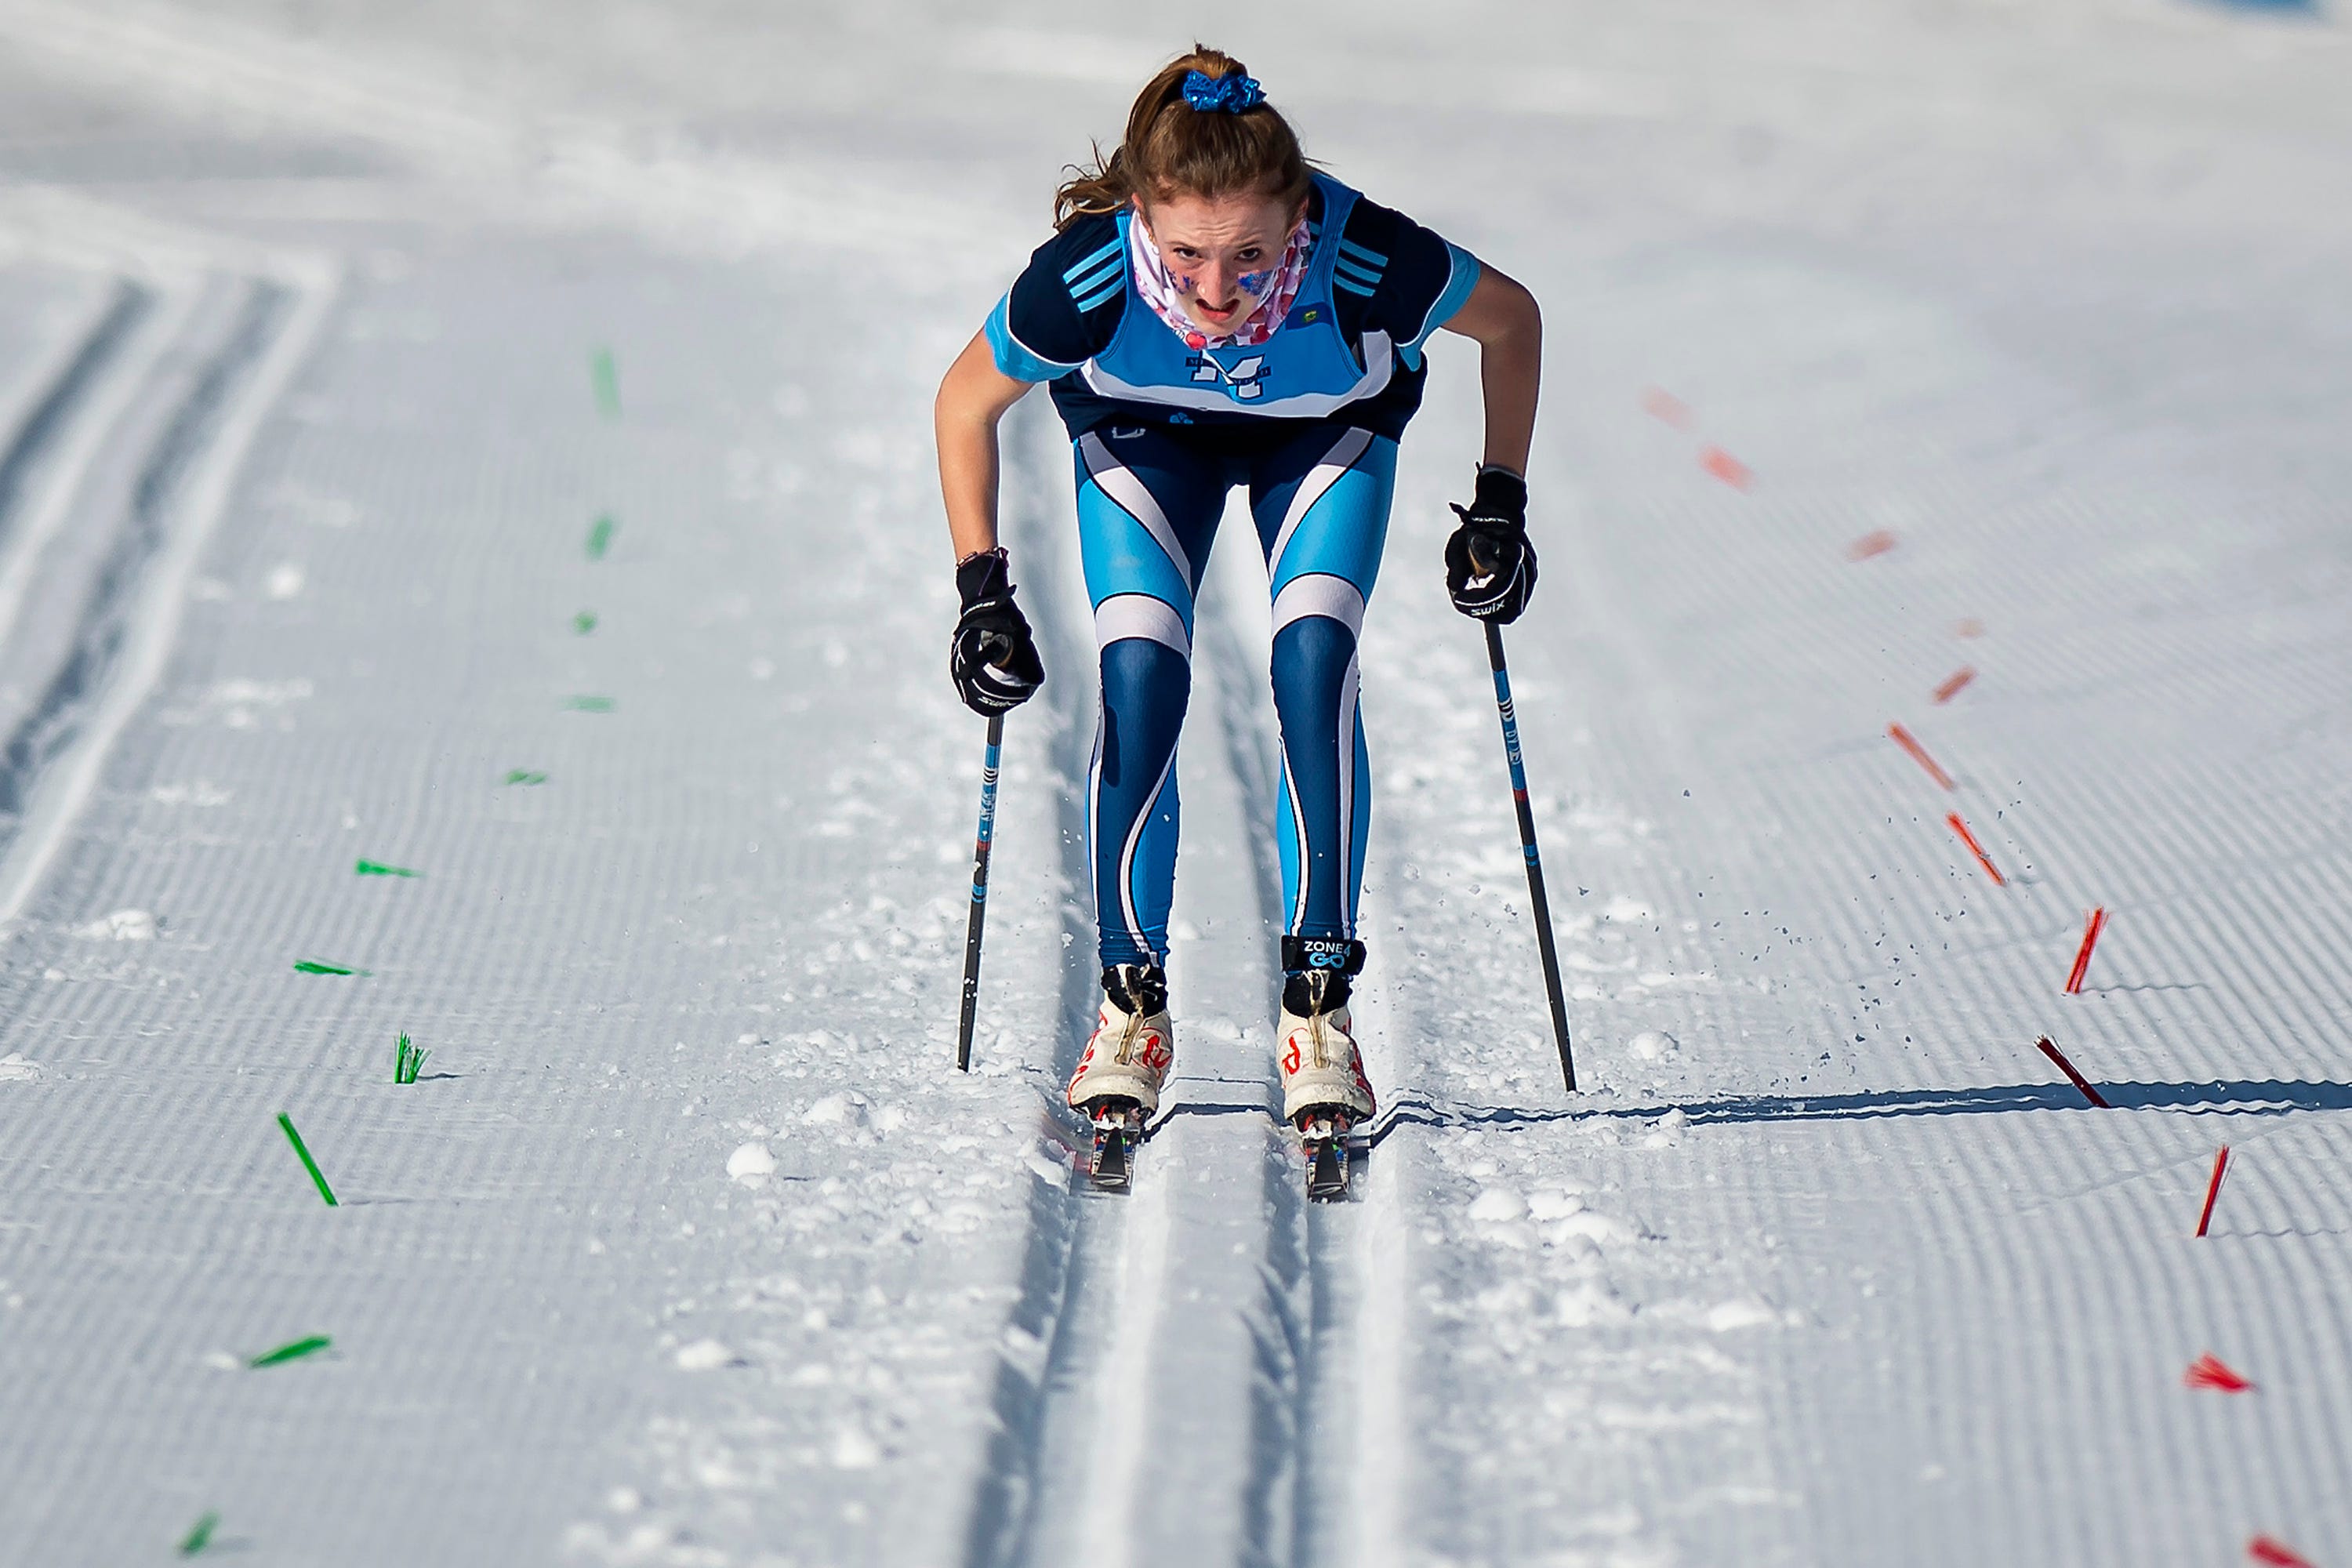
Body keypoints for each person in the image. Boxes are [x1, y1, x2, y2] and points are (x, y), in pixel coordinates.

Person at [934, 45, 1541, 1145]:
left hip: (1324, 436)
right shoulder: (1088, 274)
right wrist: (982, 589)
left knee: (1314, 659)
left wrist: (1500, 499)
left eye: (1253, 255)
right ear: (1143, 216)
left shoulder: (1363, 253)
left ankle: (1320, 1005)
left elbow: (1512, 321)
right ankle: (1131, 1002)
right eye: (1187, 255)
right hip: (1144, 439)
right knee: (1138, 672)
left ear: (1296, 215)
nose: (1217, 291)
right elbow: (965, 403)